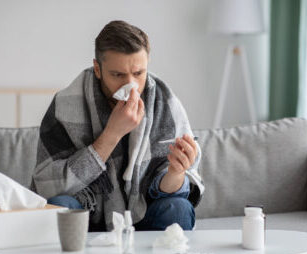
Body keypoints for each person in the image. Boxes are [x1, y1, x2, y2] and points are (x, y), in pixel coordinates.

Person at [32, 20, 204, 232]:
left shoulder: (165, 103)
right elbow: (48, 186)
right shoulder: (65, 105)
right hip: (89, 214)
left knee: (178, 208)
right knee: (60, 207)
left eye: (139, 73)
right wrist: (112, 134)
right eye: (118, 75)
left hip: (143, 214)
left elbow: (170, 192)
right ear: (97, 69)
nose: (130, 85)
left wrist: (176, 173)